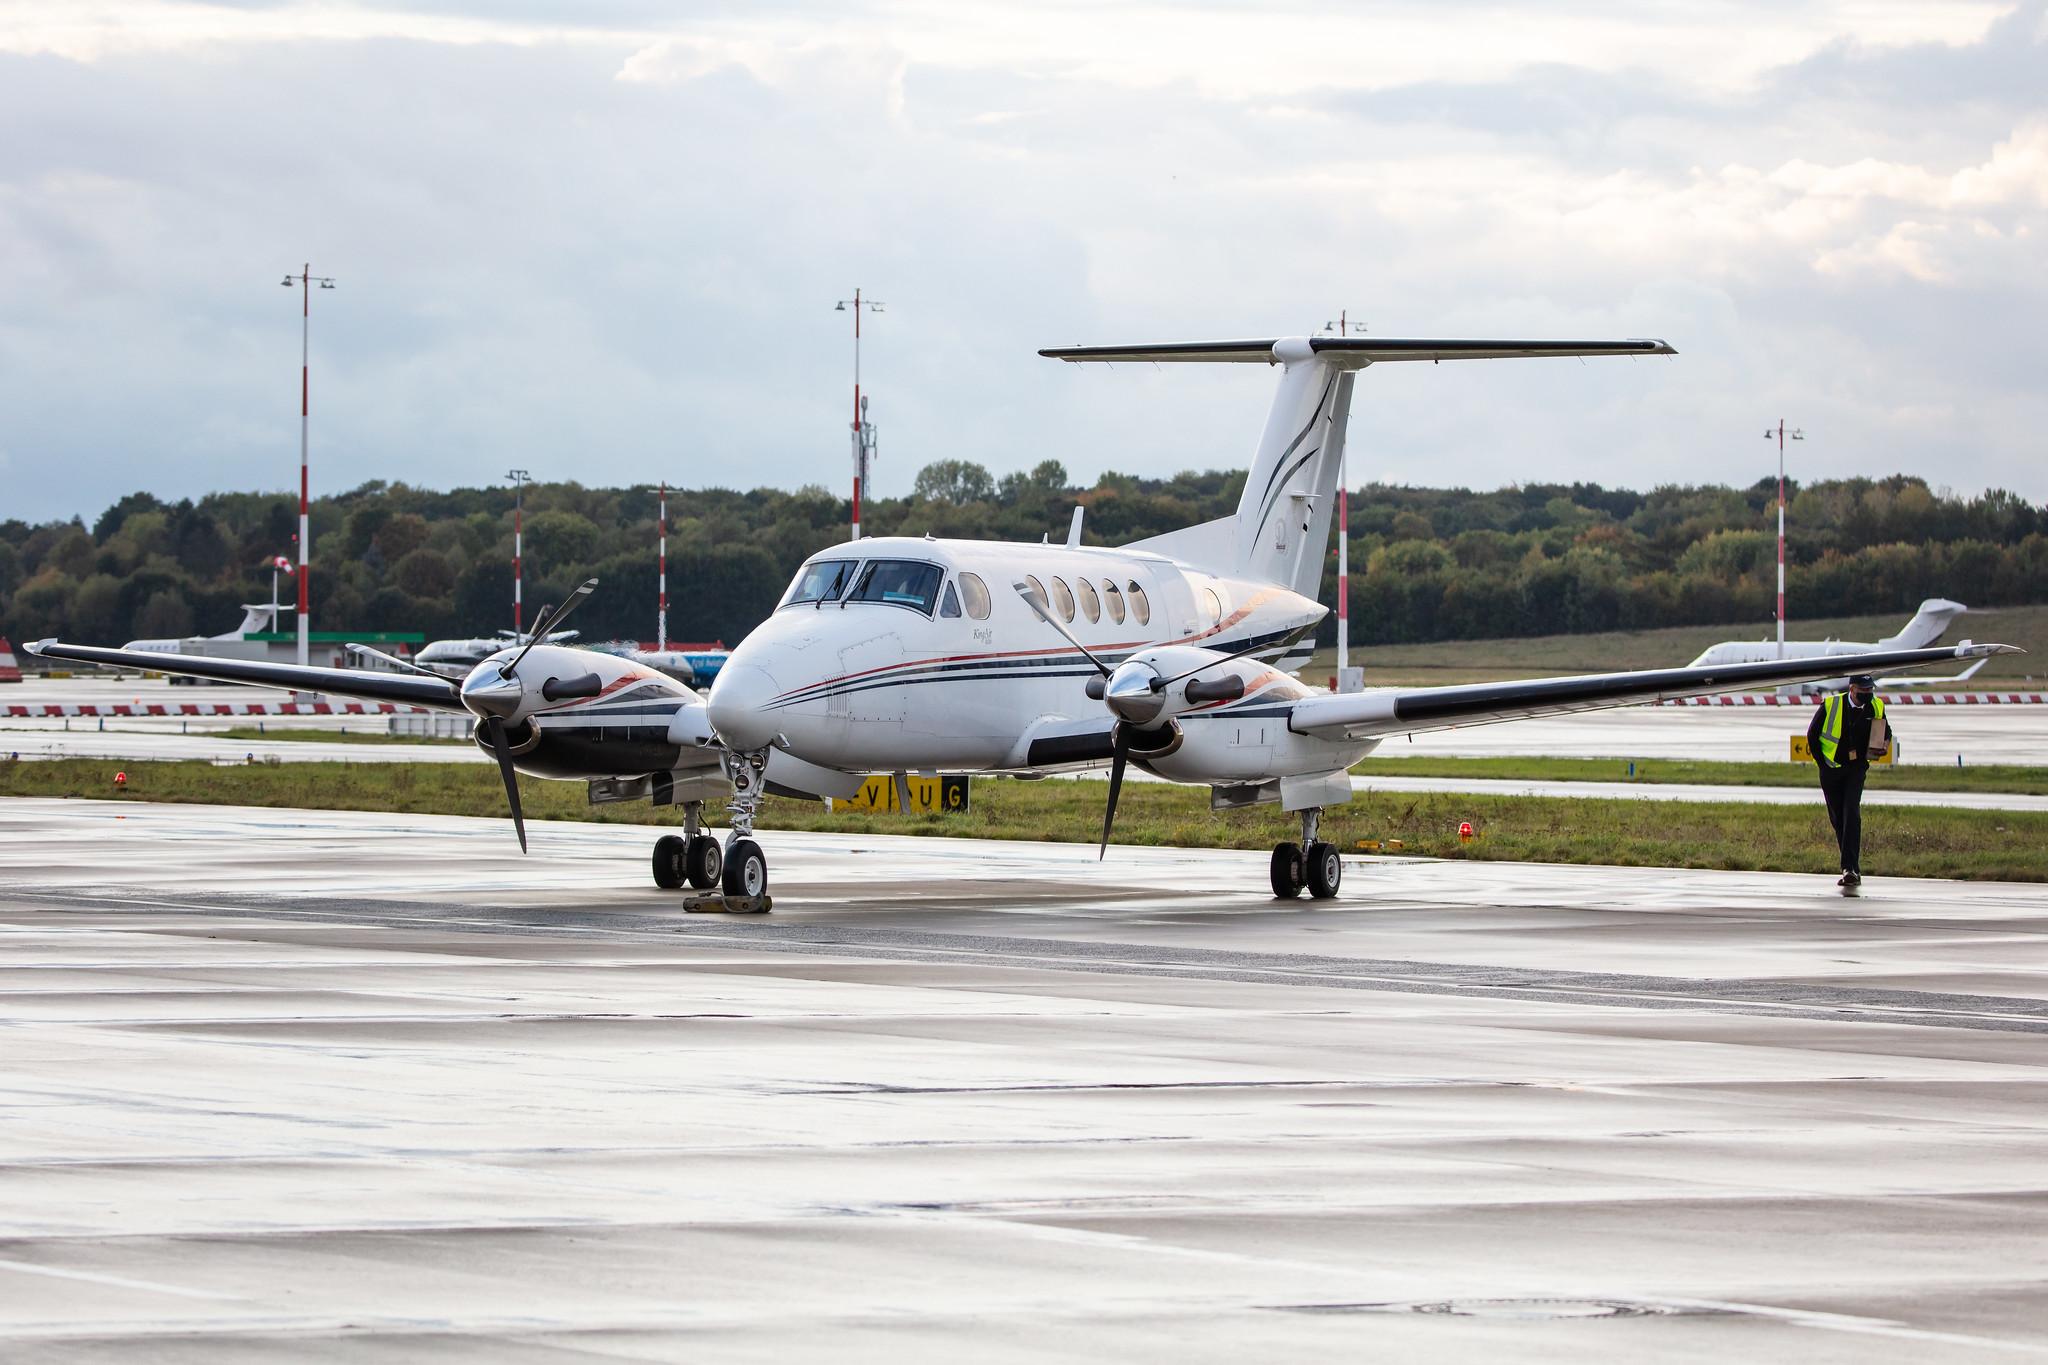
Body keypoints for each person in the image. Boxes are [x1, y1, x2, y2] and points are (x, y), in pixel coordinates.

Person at [1807, 674, 1888, 887]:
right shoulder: (1831, 705)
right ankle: (1850, 866)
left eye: (1870, 690)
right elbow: (1812, 735)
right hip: (1832, 769)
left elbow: (1885, 731)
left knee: (1852, 814)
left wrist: (1883, 744)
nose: (1868, 694)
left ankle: (1850, 868)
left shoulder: (1876, 706)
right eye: (1864, 690)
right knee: (1838, 818)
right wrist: (1823, 765)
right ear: (1852, 689)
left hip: (1856, 769)